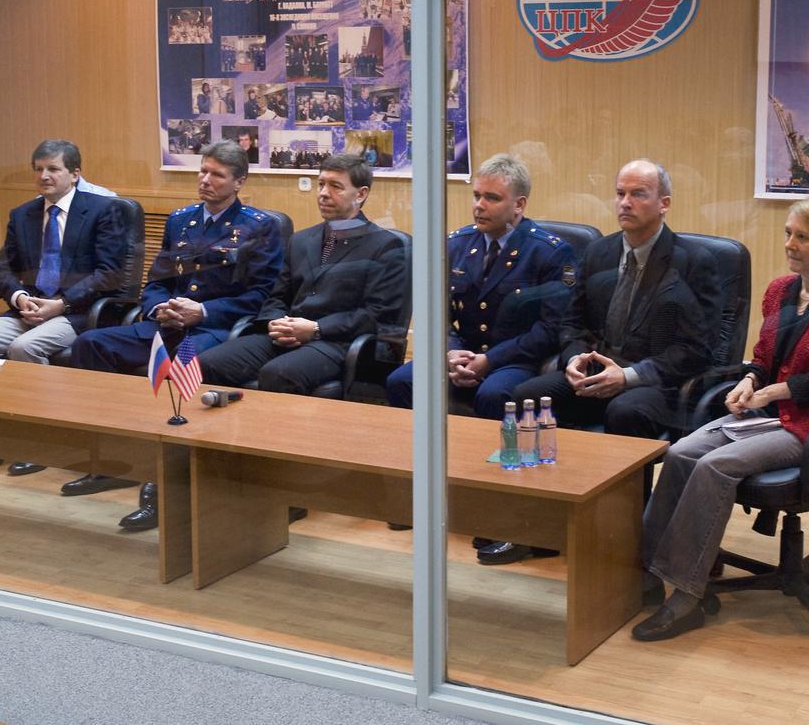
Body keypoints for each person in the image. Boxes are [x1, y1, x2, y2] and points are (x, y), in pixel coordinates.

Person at [633, 195, 809, 641]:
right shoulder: (780, 290)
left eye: (801, 236)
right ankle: (648, 571)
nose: (789, 243)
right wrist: (749, 381)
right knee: (682, 452)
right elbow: (764, 357)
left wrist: (777, 391)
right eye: (788, 232)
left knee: (715, 466)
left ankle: (686, 597)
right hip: (774, 413)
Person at [502, 159, 719, 559]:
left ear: (664, 203)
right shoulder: (600, 252)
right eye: (620, 193)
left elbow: (695, 351)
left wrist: (631, 376)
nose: (625, 202)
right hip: (594, 369)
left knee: (625, 412)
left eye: (638, 194)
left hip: (655, 382)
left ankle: (627, 539)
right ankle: (537, 523)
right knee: (525, 397)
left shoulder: (694, 262)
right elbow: (572, 321)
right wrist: (574, 359)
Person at [70, 142, 284, 517]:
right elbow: (156, 280)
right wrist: (158, 307)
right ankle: (112, 461)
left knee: (184, 365)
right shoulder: (180, 219)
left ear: (239, 182)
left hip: (214, 329)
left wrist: (201, 310)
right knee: (91, 344)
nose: (205, 180)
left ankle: (166, 481)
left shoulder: (260, 227)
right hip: (168, 324)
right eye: (202, 171)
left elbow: (262, 296)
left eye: (217, 175)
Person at [386, 154, 574, 425]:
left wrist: (490, 359)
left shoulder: (549, 252)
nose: (479, 206)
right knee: (401, 381)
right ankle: (422, 464)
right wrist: (451, 352)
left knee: (493, 394)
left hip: (516, 360)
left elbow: (551, 329)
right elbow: (437, 314)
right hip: (462, 353)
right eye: (476, 196)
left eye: (492, 198)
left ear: (519, 205)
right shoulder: (457, 245)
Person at [199, 155, 406, 396]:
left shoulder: (386, 245)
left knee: (278, 374)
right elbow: (277, 297)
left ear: (360, 195)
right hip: (286, 335)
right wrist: (275, 321)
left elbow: (375, 315)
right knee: (207, 363)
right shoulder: (301, 240)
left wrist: (316, 328)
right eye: (321, 184)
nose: (323, 193)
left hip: (338, 342)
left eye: (335, 186)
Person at [0, 139, 126, 370]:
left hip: (80, 311)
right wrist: (20, 298)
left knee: (24, 347)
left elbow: (108, 274)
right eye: (38, 169)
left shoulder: (103, 210)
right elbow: (4, 271)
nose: (44, 176)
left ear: (74, 174)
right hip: (29, 309)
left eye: (53, 169)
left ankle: (42, 405)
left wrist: (61, 304)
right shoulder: (22, 215)